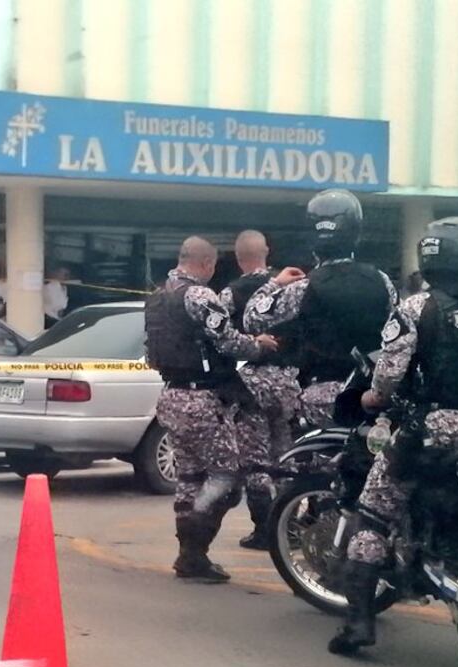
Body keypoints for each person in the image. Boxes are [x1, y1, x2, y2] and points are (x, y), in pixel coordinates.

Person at [329, 217, 458, 656]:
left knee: (373, 510)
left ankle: (358, 625)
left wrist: (373, 398)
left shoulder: (417, 309)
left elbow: (390, 374)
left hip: (437, 426)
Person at [145, 235, 295, 583]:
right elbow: (228, 341)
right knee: (226, 478)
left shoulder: (157, 297)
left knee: (190, 477)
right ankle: (194, 552)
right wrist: (257, 345)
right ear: (208, 263)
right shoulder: (200, 295)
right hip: (202, 400)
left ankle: (188, 552)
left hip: (172, 396)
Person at [245, 189, 397, 430]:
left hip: (322, 400)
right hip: (370, 398)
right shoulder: (382, 281)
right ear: (355, 232)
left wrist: (274, 283)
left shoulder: (303, 288)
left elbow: (252, 319)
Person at [221, 230, 296, 549]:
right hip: (290, 380)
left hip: (252, 384)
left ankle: (264, 530)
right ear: (267, 251)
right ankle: (290, 526)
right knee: (287, 458)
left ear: (238, 258)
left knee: (255, 461)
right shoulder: (292, 285)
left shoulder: (231, 293)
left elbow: (218, 337)